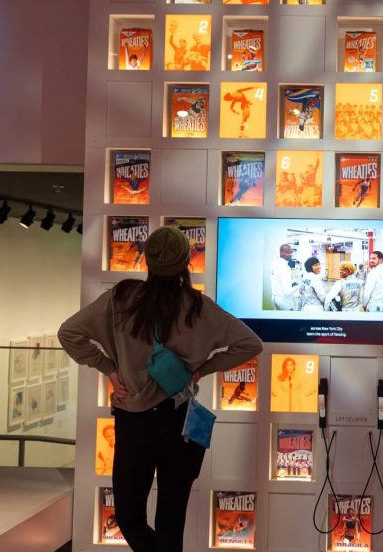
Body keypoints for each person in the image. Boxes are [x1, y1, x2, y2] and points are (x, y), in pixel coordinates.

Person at [58, 226, 263, 552]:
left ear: (148, 262)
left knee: (128, 516)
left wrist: (109, 369)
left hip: (134, 421)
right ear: (185, 264)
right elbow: (250, 344)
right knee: (171, 521)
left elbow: (69, 333)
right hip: (179, 421)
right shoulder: (199, 307)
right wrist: (202, 370)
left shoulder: (121, 300)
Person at [270, 243, 300, 310]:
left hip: (275, 298)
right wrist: (297, 287)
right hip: (284, 301)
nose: (291, 255)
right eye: (288, 252)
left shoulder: (274, 263)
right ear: (282, 253)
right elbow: (287, 292)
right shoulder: (285, 268)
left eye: (291, 252)